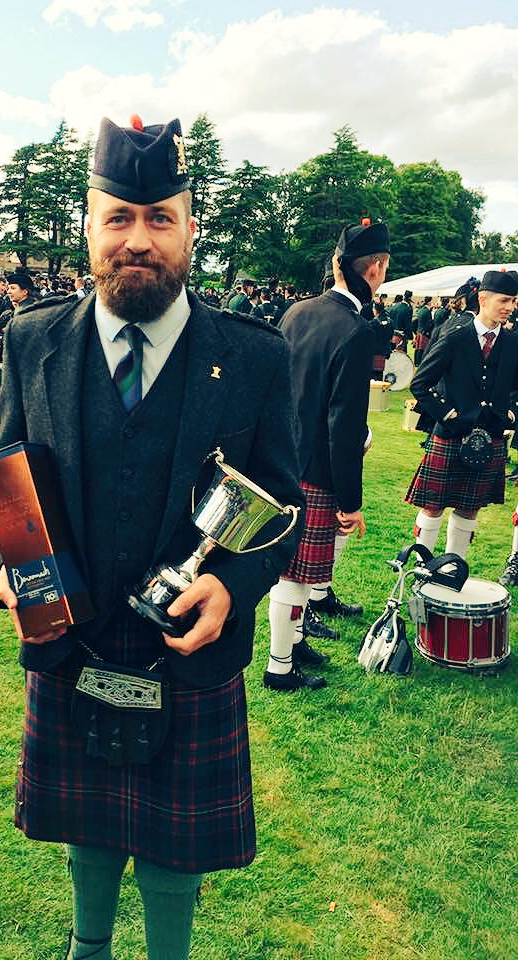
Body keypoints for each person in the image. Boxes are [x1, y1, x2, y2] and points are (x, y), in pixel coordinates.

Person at [0, 113, 303, 960]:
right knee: (90, 836)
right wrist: (6, 572)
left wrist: (233, 583)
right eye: (118, 217)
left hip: (187, 659)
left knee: (170, 851)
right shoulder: (31, 341)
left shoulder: (256, 357)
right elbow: (0, 496)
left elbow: (286, 509)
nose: (138, 239)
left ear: (192, 227)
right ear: (88, 225)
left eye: (160, 217)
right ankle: (88, 949)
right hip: (72, 646)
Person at [264, 220, 390, 691]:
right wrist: (350, 502)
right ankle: (279, 667)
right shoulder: (356, 330)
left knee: (292, 571)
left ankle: (294, 644)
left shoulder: (297, 311)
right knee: (295, 578)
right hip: (316, 470)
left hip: (282, 459)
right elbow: (342, 424)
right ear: (375, 269)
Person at [407, 270, 518, 558]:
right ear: (483, 298)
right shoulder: (456, 336)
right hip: (451, 435)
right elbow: (420, 384)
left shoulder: (513, 343)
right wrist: (446, 414)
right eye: (504, 300)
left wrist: (510, 414)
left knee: (470, 508)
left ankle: (453, 569)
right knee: (432, 505)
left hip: (491, 436)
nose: (510, 307)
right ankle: (422, 567)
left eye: (514, 301)